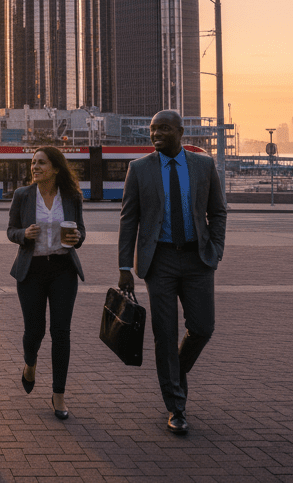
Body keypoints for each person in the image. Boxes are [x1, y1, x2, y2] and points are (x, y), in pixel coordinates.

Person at [118, 110, 227, 435]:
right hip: (159, 261)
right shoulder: (139, 169)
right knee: (164, 334)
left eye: (163, 129)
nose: (156, 134)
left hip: (197, 260)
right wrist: (125, 266)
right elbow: (128, 220)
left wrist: (216, 250)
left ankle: (173, 374)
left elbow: (217, 211)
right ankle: (176, 407)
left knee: (202, 328)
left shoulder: (204, 165)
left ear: (180, 132)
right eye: (152, 129)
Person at [7, 147, 86, 420]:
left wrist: (77, 237)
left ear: (55, 168)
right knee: (35, 331)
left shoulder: (72, 196)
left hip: (64, 269)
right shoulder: (23, 195)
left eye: (41, 163)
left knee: (61, 332)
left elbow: (81, 230)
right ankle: (30, 363)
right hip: (32, 271)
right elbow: (10, 230)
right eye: (33, 163)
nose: (35, 167)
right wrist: (23, 234)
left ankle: (59, 395)